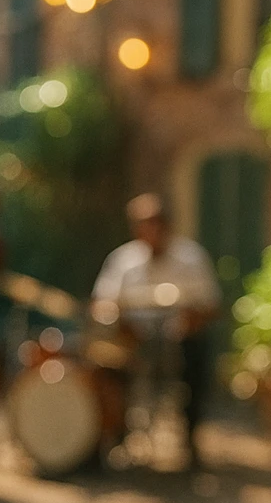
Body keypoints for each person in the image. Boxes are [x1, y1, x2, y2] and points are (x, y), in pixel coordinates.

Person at [92, 192, 221, 465]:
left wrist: (190, 321)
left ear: (168, 225)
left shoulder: (191, 258)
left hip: (178, 341)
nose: (151, 230)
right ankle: (113, 434)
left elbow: (211, 305)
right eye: (144, 224)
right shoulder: (122, 260)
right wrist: (119, 322)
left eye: (156, 222)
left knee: (197, 353)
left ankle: (190, 437)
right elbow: (102, 303)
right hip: (133, 341)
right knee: (103, 361)